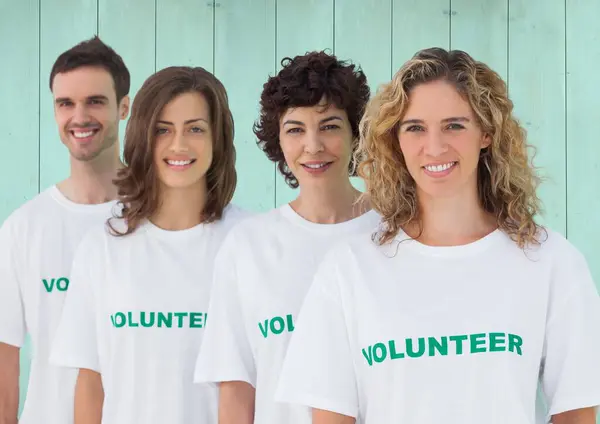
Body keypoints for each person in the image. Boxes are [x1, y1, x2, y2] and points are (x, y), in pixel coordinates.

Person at [275, 47, 600, 424]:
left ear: (486, 134)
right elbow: (331, 417)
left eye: (454, 125)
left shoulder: (551, 262)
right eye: (415, 128)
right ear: (395, 139)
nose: (434, 147)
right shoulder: (348, 270)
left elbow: (576, 412)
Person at [48, 66, 248, 424]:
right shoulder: (102, 247)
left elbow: (251, 383)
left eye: (196, 129)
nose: (179, 145)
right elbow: (91, 385)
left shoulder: (250, 243)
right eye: (163, 130)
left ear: (218, 138)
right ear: (143, 136)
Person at [193, 51, 380, 424]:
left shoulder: (395, 235)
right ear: (277, 140)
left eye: (329, 126)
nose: (313, 146)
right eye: (295, 129)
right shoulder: (248, 246)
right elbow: (237, 390)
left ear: (356, 133)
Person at [0, 37, 130, 424]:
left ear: (124, 107)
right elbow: (5, 361)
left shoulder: (160, 215)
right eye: (65, 104)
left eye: (95, 101)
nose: (79, 116)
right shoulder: (23, 227)